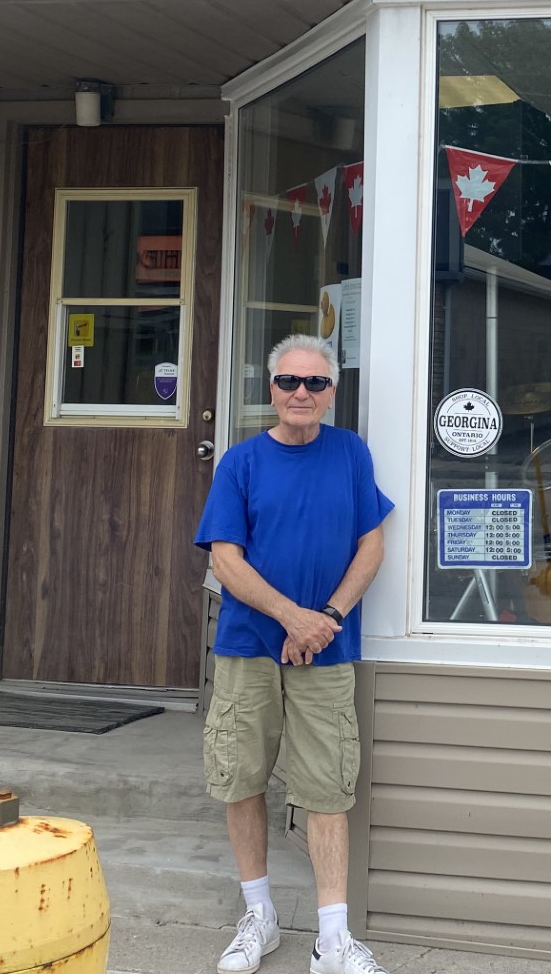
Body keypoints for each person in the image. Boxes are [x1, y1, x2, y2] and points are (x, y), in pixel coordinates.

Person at [195, 334, 395, 974]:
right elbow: (225, 558)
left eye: (314, 383)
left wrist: (327, 619)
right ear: (271, 389)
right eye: (289, 382)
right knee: (241, 779)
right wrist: (291, 616)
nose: (301, 393)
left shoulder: (350, 454)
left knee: (327, 788)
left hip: (327, 653)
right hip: (250, 646)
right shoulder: (241, 463)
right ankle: (260, 916)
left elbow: (371, 545)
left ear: (333, 391)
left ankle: (332, 938)